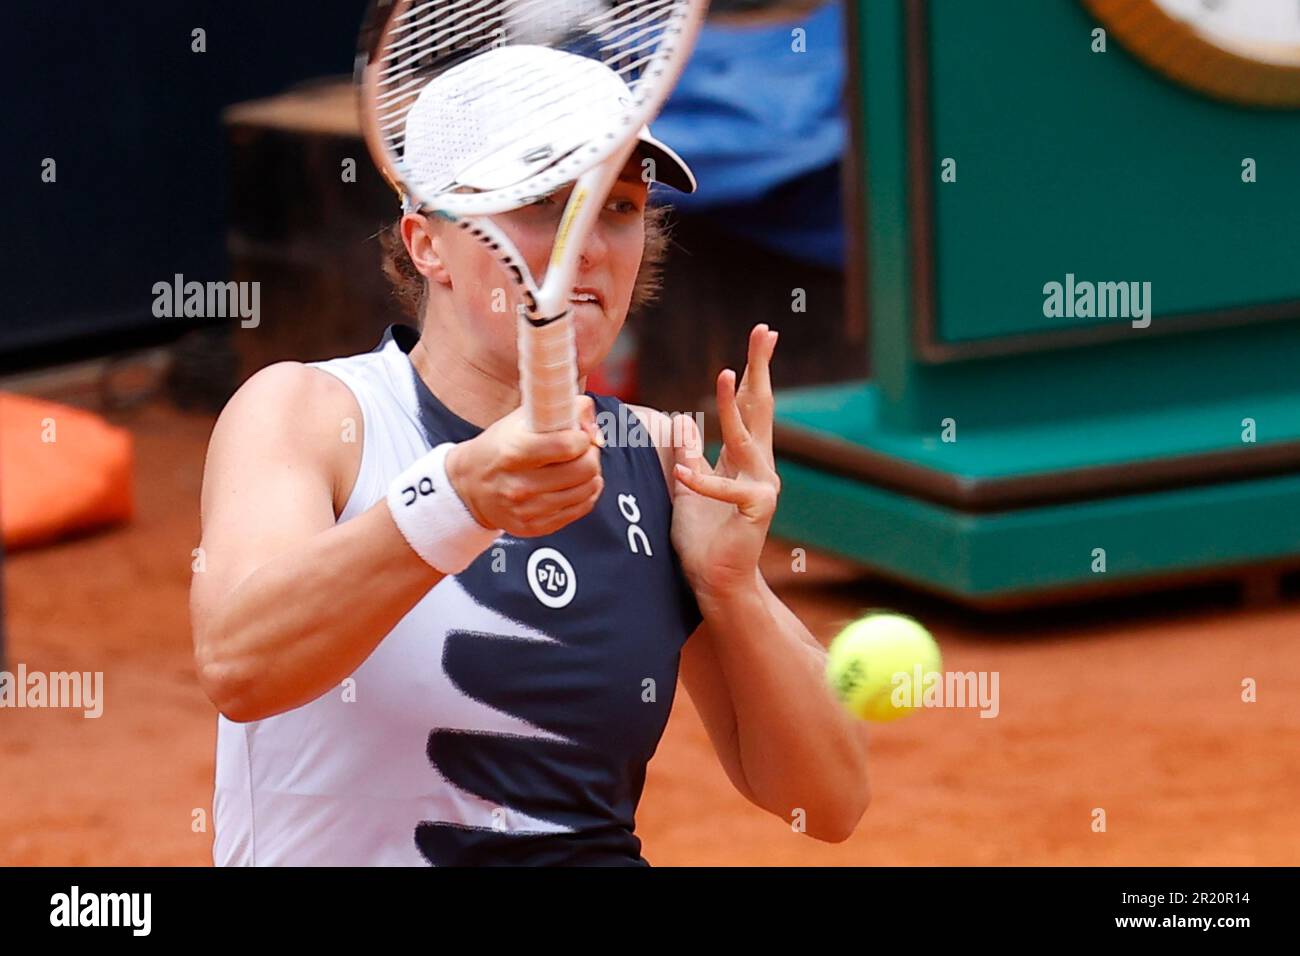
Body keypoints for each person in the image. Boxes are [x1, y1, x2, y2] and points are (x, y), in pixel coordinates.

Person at [191, 53, 870, 866]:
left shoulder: (656, 461)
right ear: (429, 244)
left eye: (617, 206)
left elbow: (826, 804)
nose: (586, 243)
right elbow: (240, 664)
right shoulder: (310, 414)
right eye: (544, 202)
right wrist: (459, 497)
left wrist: (732, 590)